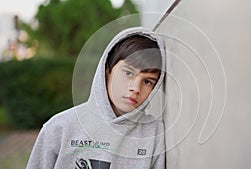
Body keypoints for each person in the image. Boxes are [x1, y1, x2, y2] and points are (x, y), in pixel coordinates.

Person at [26, 27, 166, 169]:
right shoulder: (59, 128)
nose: (136, 88)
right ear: (107, 71)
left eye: (148, 81)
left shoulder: (154, 134)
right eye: (128, 73)